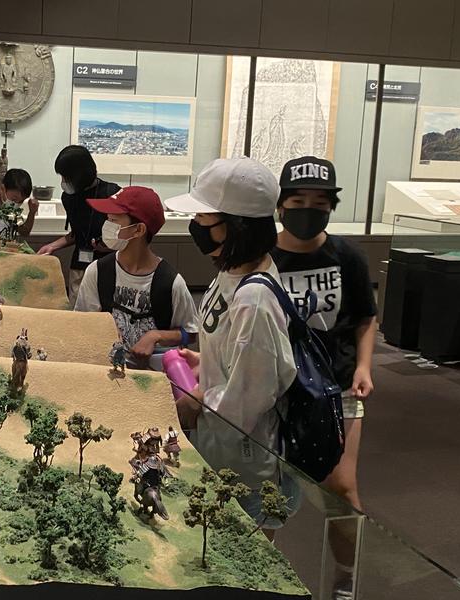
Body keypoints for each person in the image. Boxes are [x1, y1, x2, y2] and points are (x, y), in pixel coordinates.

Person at [165, 157, 298, 532]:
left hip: (244, 468)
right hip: (219, 452)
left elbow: (246, 401)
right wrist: (205, 360)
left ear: (236, 226)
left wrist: (197, 399)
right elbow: (238, 354)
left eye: (204, 219)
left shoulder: (255, 299)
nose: (195, 227)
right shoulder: (231, 272)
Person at [271, 157, 377, 597]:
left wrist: (365, 366)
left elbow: (365, 317)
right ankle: (258, 577)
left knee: (342, 488)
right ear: (281, 204)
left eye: (319, 202)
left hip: (338, 385)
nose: (308, 210)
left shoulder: (346, 256)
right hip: (279, 387)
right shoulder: (265, 256)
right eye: (298, 201)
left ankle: (345, 580)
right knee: (266, 486)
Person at [74, 186, 199, 370]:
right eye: (107, 219)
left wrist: (156, 336)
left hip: (154, 377)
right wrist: (103, 328)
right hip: (107, 373)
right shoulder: (97, 271)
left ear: (138, 230)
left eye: (114, 220)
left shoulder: (171, 282)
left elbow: (191, 333)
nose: (107, 226)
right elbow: (82, 321)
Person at [38, 146, 121, 304]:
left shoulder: (112, 193)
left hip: (109, 266)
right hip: (79, 266)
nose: (63, 182)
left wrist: (111, 246)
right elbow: (77, 233)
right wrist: (52, 246)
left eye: (66, 177)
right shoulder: (68, 197)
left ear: (79, 175)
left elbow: (128, 236)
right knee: (77, 308)